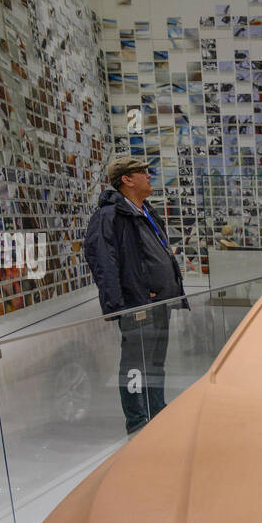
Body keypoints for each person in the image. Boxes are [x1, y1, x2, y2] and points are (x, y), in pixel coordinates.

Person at [83, 156, 189, 436]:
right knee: (134, 365)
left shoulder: (145, 210)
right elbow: (103, 262)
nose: (149, 175)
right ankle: (137, 420)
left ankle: (157, 410)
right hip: (137, 306)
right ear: (127, 180)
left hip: (160, 302)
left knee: (155, 362)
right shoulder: (109, 217)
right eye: (142, 172)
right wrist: (120, 306)